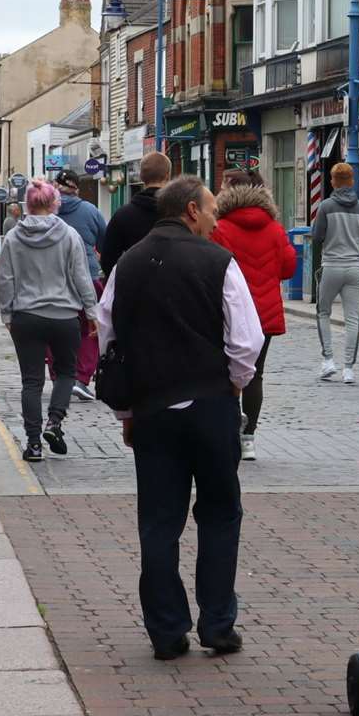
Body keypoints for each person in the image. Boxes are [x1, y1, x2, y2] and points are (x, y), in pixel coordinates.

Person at [97, 175, 264, 660]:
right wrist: (232, 383)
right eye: (211, 210)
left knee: (158, 520)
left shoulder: (127, 264)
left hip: (151, 410)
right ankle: (217, 623)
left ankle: (168, 631)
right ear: (191, 210)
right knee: (219, 513)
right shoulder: (218, 262)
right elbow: (246, 340)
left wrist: (128, 409)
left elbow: (108, 337)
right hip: (210, 405)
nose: (215, 219)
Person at [0, 179, 98, 462]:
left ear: (27, 204)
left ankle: (33, 445)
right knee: (66, 373)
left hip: (26, 317)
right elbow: (81, 278)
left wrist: (7, 314)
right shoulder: (68, 235)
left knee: (31, 382)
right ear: (54, 203)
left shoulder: (14, 238)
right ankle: (54, 421)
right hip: (65, 317)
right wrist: (92, 313)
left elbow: (5, 279)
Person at [210, 168, 296, 461]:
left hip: (228, 311)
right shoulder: (273, 227)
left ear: (229, 191)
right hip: (265, 311)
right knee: (255, 374)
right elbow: (288, 268)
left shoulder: (219, 227)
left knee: (225, 372)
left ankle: (229, 428)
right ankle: (249, 438)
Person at [310, 162, 359, 384]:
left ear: (334, 181)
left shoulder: (326, 206)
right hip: (355, 267)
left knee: (323, 312)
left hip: (331, 265)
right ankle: (349, 369)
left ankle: (328, 360)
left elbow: (317, 237)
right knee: (352, 318)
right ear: (352, 181)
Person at [53, 168, 108, 400]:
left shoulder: (47, 211)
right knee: (91, 330)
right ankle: (81, 378)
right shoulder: (90, 210)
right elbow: (104, 241)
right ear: (76, 188)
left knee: (56, 330)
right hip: (88, 276)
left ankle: (59, 377)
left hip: (54, 280)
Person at [99, 151, 170, 276]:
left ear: (141, 177)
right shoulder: (179, 213)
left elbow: (108, 260)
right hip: (174, 288)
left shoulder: (122, 215)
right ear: (168, 176)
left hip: (134, 286)